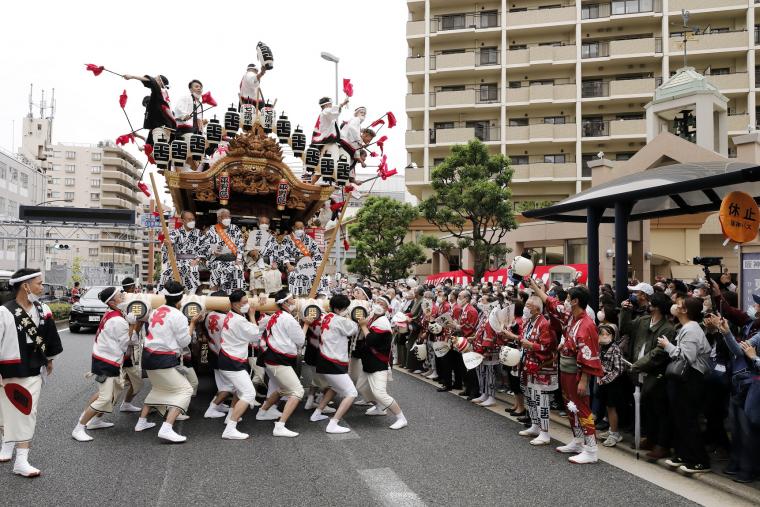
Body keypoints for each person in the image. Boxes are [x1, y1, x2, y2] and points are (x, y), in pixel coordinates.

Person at [531, 279, 603, 464]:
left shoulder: (586, 324)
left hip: (577, 372)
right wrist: (534, 286)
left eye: (568, 298)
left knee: (582, 407)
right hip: (565, 368)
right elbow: (551, 302)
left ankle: (591, 449)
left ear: (575, 301)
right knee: (570, 406)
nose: (564, 301)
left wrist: (584, 380)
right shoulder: (571, 316)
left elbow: (589, 355)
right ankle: (578, 440)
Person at [0, 269, 63, 477]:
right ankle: (7, 444)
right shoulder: (4, 312)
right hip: (8, 368)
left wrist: (50, 359)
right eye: (39, 283)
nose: (42, 287)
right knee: (6, 412)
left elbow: (50, 335)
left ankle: (22, 461)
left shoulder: (43, 309)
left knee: (26, 410)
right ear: (25, 286)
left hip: (33, 367)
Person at [134, 281, 200, 443]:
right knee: (185, 390)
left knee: (159, 388)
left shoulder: (156, 311)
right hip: (162, 357)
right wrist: (192, 323)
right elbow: (184, 342)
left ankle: (141, 422)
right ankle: (167, 427)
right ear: (181, 298)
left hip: (148, 356)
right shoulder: (178, 315)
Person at [72, 287, 135, 442]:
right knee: (105, 397)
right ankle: (79, 427)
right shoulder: (118, 320)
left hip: (104, 358)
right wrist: (133, 326)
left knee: (112, 392)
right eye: (120, 296)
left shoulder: (111, 313)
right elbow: (125, 345)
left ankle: (95, 420)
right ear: (112, 302)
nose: (123, 297)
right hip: (107, 362)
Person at [659, 296, 712, 474]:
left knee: (688, 419)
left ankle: (700, 460)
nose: (676, 306)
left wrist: (668, 346)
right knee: (679, 417)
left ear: (685, 311)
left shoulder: (691, 330)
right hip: (685, 378)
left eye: (680, 305)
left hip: (692, 378)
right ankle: (684, 454)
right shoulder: (687, 328)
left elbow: (687, 357)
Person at [624, 292, 676, 461]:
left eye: (651, 303)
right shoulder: (643, 320)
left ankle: (662, 444)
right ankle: (651, 438)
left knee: (660, 410)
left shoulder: (667, 328)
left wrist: (637, 365)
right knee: (646, 409)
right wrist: (625, 312)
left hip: (654, 374)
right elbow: (626, 328)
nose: (648, 304)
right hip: (638, 371)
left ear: (658, 307)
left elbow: (658, 353)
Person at [256, 290, 313, 437]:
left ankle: (263, 412)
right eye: (292, 299)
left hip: (272, 358)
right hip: (279, 360)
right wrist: (306, 324)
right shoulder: (288, 319)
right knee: (297, 391)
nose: (295, 301)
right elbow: (300, 341)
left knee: (283, 388)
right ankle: (280, 426)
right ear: (286, 303)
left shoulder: (275, 315)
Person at [710, 314, 760, 483]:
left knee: (748, 431)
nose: (756, 308)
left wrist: (755, 358)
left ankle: (748, 469)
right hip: (743, 384)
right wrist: (727, 333)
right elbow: (739, 351)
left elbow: (750, 355)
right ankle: (737, 463)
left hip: (754, 385)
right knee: (737, 428)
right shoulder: (754, 329)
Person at [217, 290, 265, 440]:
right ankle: (230, 428)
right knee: (249, 393)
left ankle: (230, 416)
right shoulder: (239, 320)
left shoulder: (231, 315)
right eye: (245, 302)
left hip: (229, 358)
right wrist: (252, 315)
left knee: (239, 390)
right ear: (236, 304)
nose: (247, 304)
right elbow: (256, 335)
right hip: (232, 361)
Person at [355, 295, 408, 429]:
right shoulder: (373, 316)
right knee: (361, 387)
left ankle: (401, 418)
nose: (378, 305)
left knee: (380, 393)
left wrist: (363, 326)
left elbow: (371, 340)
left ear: (386, 309)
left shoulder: (383, 322)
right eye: (377, 302)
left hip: (378, 362)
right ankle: (379, 407)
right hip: (369, 361)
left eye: (382, 304)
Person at [309, 294, 359, 434]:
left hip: (324, 360)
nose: (346, 310)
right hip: (333, 362)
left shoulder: (325, 316)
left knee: (334, 387)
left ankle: (317, 413)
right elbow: (354, 328)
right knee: (351, 392)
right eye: (345, 308)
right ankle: (333, 424)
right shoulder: (340, 320)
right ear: (338, 309)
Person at [511, 295, 556, 445]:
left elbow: (547, 347)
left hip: (542, 368)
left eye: (529, 306)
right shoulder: (528, 322)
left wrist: (530, 345)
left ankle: (545, 432)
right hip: (528, 365)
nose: (525, 308)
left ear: (537, 309)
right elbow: (523, 340)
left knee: (541, 399)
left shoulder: (544, 324)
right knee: (530, 397)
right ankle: (535, 425)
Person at [123, 73, 176, 153]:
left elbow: (150, 81)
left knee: (161, 154)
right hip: (168, 128)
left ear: (161, 83)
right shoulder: (164, 97)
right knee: (163, 152)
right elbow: (148, 141)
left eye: (156, 78)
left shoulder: (158, 93)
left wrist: (132, 76)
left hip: (161, 127)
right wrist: (138, 136)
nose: (147, 108)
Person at [160, 210, 208, 293]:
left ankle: (190, 295)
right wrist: (168, 244)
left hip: (194, 261)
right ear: (183, 220)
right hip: (177, 261)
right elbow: (169, 243)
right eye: (189, 219)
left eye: (193, 219)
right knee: (165, 273)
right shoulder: (175, 233)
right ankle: (165, 295)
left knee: (192, 270)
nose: (192, 221)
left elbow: (205, 247)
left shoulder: (200, 234)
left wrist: (197, 260)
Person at [203, 290, 233, 419]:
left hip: (214, 351)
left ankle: (218, 405)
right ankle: (212, 408)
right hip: (225, 353)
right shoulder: (226, 318)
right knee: (231, 386)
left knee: (222, 384)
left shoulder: (209, 315)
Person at [596, 323, 625, 447]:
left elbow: (618, 369)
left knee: (612, 408)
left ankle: (614, 433)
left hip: (612, 383)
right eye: (601, 334)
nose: (604, 336)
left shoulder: (615, 349)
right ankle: (611, 430)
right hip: (602, 381)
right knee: (607, 407)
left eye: (607, 334)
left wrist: (605, 379)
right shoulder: (600, 348)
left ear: (613, 336)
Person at [119, 277, 145, 413]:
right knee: (113, 388)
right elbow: (132, 336)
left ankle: (126, 404)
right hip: (121, 352)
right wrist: (139, 323)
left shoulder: (123, 302)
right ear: (130, 288)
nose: (136, 289)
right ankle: (91, 418)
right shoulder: (126, 305)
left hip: (124, 352)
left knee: (135, 382)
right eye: (134, 288)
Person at [205, 208, 245, 292]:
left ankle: (237, 295)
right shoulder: (212, 230)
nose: (228, 219)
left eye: (229, 217)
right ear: (219, 218)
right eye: (225, 217)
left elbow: (240, 245)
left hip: (234, 259)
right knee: (216, 269)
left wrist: (238, 259)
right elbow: (207, 246)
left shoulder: (235, 228)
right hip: (218, 260)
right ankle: (214, 294)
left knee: (238, 268)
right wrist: (213, 252)